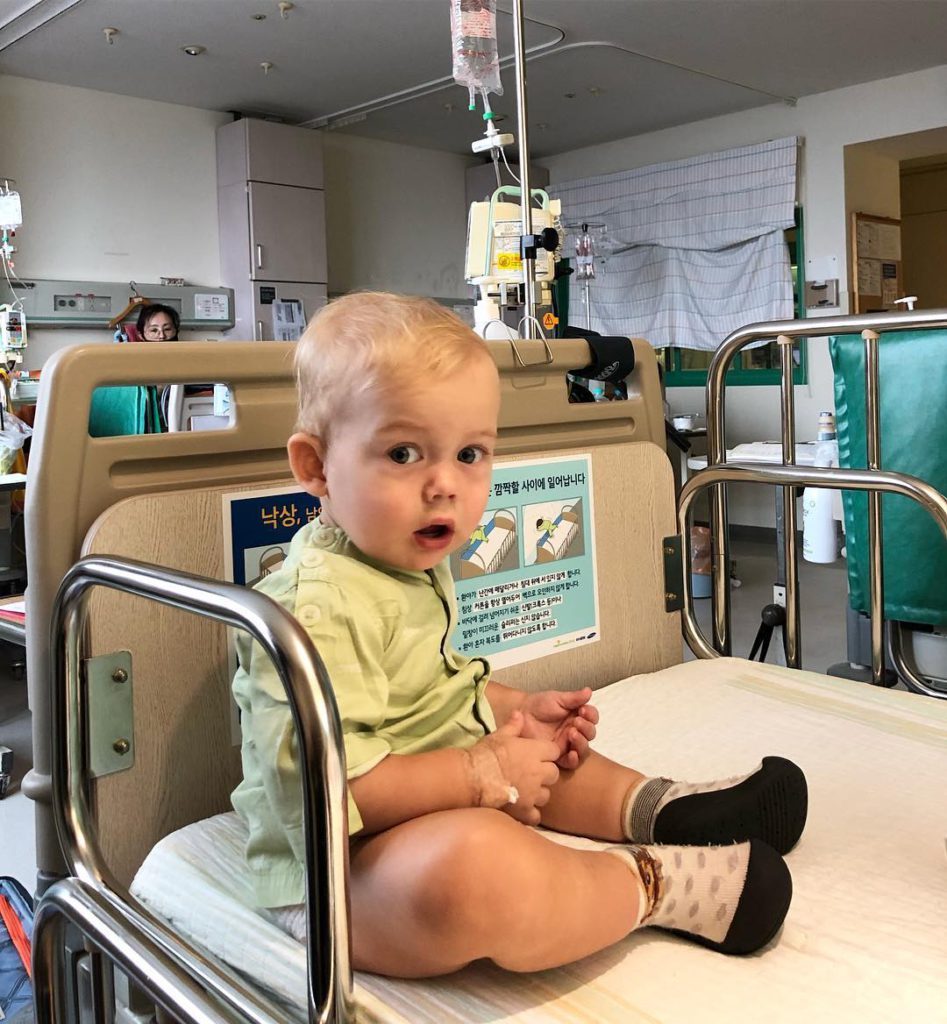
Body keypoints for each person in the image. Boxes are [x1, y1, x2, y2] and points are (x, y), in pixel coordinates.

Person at [231, 292, 808, 978]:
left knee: (546, 755)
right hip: (341, 871)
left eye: (469, 453)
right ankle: (652, 883)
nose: (445, 485)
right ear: (315, 467)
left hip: (428, 792)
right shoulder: (317, 609)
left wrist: (515, 713)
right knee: (475, 869)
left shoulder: (400, 562)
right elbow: (323, 793)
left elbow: (437, 692)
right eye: (404, 452)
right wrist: (478, 774)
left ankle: (662, 809)